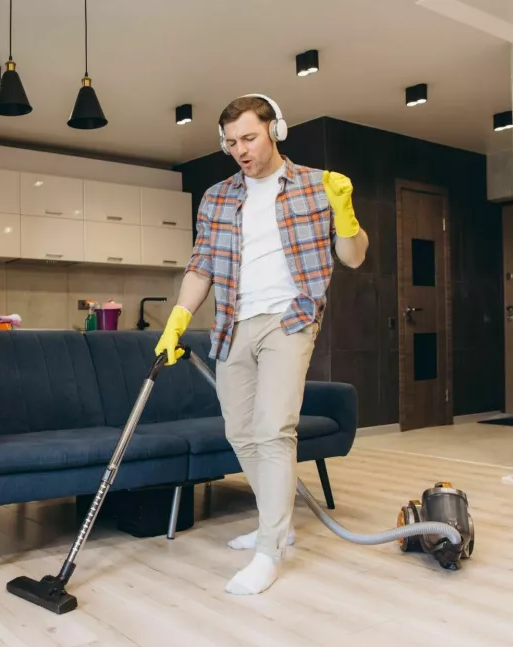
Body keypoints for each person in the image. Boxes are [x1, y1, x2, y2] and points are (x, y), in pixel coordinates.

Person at [155, 94, 368, 595]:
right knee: (241, 432)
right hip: (231, 322)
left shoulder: (318, 186)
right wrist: (178, 319)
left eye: (249, 138)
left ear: (277, 130)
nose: (241, 150)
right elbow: (201, 264)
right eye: (231, 143)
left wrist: (345, 213)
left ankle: (269, 550)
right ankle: (280, 521)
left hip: (290, 318)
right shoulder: (218, 196)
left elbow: (353, 258)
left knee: (274, 429)